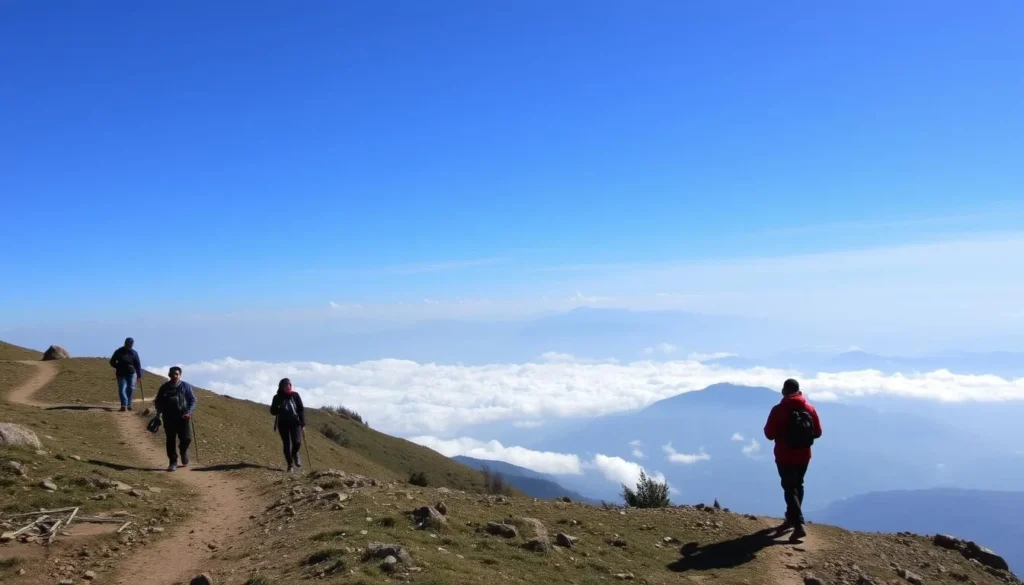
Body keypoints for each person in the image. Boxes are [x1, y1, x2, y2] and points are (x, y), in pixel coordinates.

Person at [763, 378, 822, 543]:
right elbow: (818, 432)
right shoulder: (809, 408)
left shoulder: (779, 409)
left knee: (789, 488)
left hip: (784, 455)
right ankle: (791, 519)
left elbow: (769, 434)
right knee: (798, 485)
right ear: (799, 391)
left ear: (784, 391)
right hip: (804, 455)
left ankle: (798, 524)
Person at [154, 366, 197, 472]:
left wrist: (189, 412)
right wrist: (158, 414)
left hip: (183, 417)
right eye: (172, 374)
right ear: (169, 374)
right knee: (170, 440)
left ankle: (183, 451)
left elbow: (192, 400)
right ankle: (173, 462)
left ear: (180, 375)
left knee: (186, 439)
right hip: (168, 417)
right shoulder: (164, 387)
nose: (174, 376)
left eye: (176, 374)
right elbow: (158, 401)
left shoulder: (185, 386)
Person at [269, 378, 305, 472]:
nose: (288, 387)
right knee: (286, 445)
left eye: (289, 385)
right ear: (281, 387)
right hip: (283, 423)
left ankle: (294, 453)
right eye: (285, 385)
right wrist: (279, 408)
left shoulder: (295, 395)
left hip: (295, 423)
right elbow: (272, 411)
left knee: (297, 442)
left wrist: (303, 424)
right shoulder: (277, 397)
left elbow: (300, 410)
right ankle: (290, 465)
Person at [109, 337, 143, 411]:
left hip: (131, 373)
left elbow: (138, 365)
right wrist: (118, 366)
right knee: (122, 389)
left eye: (130, 344)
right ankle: (124, 405)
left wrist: (139, 376)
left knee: (130, 388)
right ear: (125, 343)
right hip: (121, 373)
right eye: (127, 343)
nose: (129, 345)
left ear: (132, 345)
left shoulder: (134, 353)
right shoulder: (119, 351)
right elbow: (112, 362)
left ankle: (129, 404)